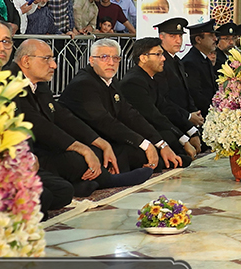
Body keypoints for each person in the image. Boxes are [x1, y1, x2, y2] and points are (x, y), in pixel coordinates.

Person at [12, 38, 155, 197]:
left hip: (47, 144)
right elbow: (39, 125)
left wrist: (99, 142)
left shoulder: (39, 83)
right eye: (47, 59)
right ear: (26, 61)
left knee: (97, 150)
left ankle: (84, 183)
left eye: (115, 58)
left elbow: (63, 116)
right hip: (26, 152)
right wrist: (82, 148)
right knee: (76, 160)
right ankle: (102, 181)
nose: (54, 65)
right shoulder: (11, 84)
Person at [0, 21, 73, 216]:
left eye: (6, 42)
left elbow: (20, 127)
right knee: (42, 198)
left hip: (16, 160)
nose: (1, 47)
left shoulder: (7, 80)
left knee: (63, 191)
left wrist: (29, 157)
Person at [60, 38, 185, 172]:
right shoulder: (83, 83)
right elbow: (105, 122)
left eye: (115, 58)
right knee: (140, 155)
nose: (111, 62)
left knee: (162, 151)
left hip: (107, 137)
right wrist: (144, 144)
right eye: (104, 57)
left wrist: (160, 144)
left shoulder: (111, 81)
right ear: (91, 60)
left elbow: (130, 115)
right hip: (85, 142)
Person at [120, 37, 202, 160]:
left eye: (162, 54)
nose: (163, 59)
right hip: (141, 135)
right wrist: (184, 140)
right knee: (177, 147)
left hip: (155, 129)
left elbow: (166, 107)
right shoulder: (133, 82)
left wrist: (191, 132)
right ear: (143, 58)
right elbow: (153, 116)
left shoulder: (150, 78)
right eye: (158, 54)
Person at [152, 17, 207, 136]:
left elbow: (186, 92)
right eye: (173, 36)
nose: (178, 41)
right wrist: (188, 116)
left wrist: (194, 112)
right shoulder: (159, 63)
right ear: (161, 37)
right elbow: (164, 99)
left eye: (180, 36)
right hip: (171, 124)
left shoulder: (177, 61)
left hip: (184, 120)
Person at [182, 19, 219, 111]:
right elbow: (196, 95)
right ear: (198, 39)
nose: (215, 39)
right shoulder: (190, 62)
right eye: (211, 36)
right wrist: (213, 109)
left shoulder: (204, 59)